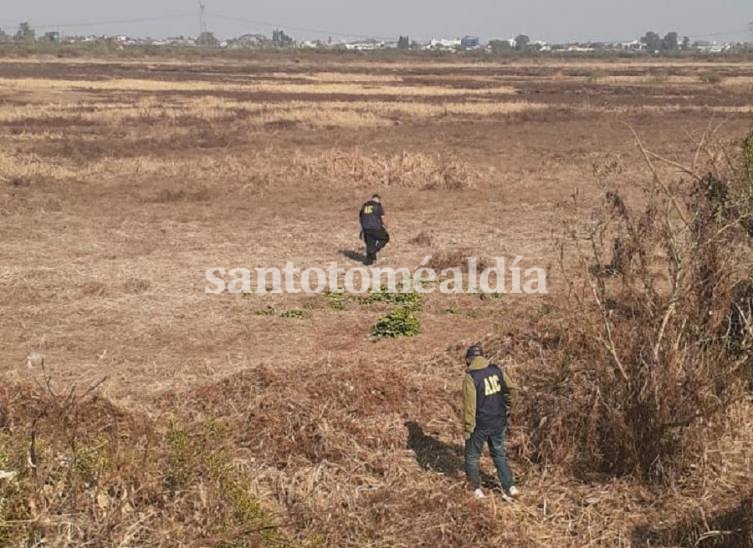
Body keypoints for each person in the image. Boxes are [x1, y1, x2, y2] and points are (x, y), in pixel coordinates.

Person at [462, 344, 520, 502]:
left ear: (468, 360)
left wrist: (468, 428)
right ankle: (510, 487)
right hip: (499, 421)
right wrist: (509, 406)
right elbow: (513, 389)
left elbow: (470, 407)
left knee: (472, 457)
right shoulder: (496, 370)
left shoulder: (470, 377)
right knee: (499, 454)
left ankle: (476, 489)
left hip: (480, 425)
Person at [359, 194, 390, 266]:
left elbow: (361, 217)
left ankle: (368, 262)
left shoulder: (364, 206)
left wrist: (362, 229)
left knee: (370, 244)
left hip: (366, 228)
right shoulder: (377, 206)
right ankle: (374, 250)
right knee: (385, 238)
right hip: (375, 227)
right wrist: (385, 226)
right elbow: (382, 217)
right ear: (378, 199)